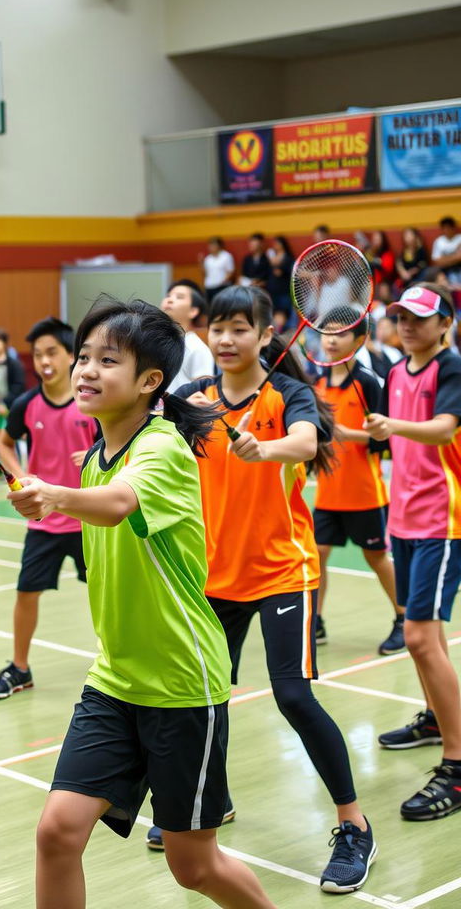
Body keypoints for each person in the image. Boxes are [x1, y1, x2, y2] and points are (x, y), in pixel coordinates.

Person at [7, 298, 277, 909]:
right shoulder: (91, 457)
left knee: (193, 865)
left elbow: (121, 503)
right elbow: (99, 497)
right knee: (57, 832)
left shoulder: (163, 448)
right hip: (115, 678)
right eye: (83, 357)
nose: (85, 370)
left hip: (182, 682)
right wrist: (63, 492)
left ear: (150, 381)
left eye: (107, 360)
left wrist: (57, 496)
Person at [168, 285, 377, 893]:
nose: (227, 339)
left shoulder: (288, 393)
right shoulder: (192, 399)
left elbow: (309, 442)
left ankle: (354, 824)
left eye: (240, 328)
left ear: (265, 335)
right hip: (214, 576)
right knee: (204, 696)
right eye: (218, 328)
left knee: (292, 695)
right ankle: (215, 802)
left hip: (284, 570)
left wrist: (267, 448)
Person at [365, 283, 461, 821]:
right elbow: (384, 436)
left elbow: (445, 431)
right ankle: (435, 720)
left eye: (420, 319)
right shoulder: (397, 373)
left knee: (419, 635)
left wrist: (392, 425)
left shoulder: (451, 368)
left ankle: (458, 763)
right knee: (428, 636)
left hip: (443, 520)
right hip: (401, 517)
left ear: (444, 324)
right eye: (400, 317)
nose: (407, 325)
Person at [0, 318, 97, 700]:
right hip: (44, 522)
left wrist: (99, 455)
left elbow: (123, 442)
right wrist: (19, 477)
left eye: (53, 353)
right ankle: (19, 669)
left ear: (70, 357)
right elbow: (4, 442)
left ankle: (119, 662)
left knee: (106, 593)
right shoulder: (26, 404)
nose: (45, 361)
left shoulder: (93, 400)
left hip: (89, 521)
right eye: (39, 354)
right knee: (26, 593)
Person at [312, 310, 404, 654]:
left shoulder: (367, 383)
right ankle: (316, 622)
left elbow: (382, 439)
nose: (331, 340)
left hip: (364, 493)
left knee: (376, 558)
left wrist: (344, 433)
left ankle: (403, 618)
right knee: (317, 553)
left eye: (340, 334)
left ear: (359, 340)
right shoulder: (318, 382)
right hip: (327, 492)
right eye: (326, 333)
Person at [0, 327, 26, 479]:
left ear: (3, 343)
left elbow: (19, 385)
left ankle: (14, 469)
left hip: (8, 408)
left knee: (8, 439)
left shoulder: (14, 364)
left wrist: (6, 403)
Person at [160, 280, 214, 391]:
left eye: (179, 297)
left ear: (193, 311)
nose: (169, 300)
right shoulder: (156, 344)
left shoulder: (196, 347)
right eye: (168, 296)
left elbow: (205, 391)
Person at [265, 235, 294, 315]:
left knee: (283, 313)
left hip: (284, 291)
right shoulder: (272, 256)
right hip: (272, 290)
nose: (275, 245)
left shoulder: (288, 258)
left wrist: (273, 263)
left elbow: (278, 272)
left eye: (277, 243)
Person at [201, 236, 235, 303]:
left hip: (222, 287)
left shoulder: (226, 256)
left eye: (213, 245)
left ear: (219, 246)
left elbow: (230, 271)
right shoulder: (208, 258)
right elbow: (205, 274)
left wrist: (223, 282)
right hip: (209, 286)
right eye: (210, 245)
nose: (211, 247)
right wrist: (201, 264)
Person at [431, 216, 461, 286]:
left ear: (453, 228)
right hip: (445, 271)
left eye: (449, 227)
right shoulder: (439, 241)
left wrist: (445, 259)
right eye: (444, 228)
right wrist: (455, 257)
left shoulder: (459, 238)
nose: (447, 230)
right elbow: (437, 261)